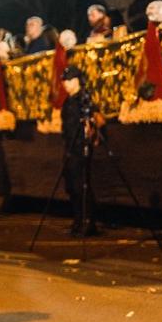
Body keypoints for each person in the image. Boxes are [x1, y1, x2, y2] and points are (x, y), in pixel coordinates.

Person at [59, 66, 103, 236]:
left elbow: (98, 119)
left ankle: (88, 221)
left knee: (81, 185)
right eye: (64, 81)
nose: (66, 84)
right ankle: (78, 220)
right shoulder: (68, 101)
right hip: (69, 146)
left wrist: (90, 128)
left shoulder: (84, 99)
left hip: (80, 147)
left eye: (69, 80)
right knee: (71, 185)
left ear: (78, 80)